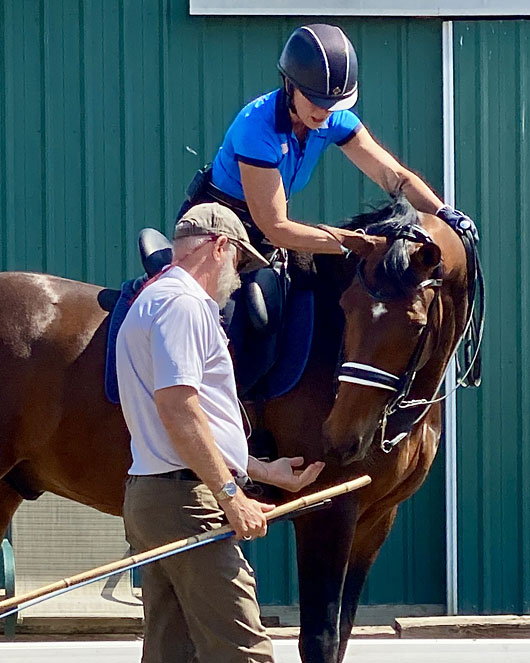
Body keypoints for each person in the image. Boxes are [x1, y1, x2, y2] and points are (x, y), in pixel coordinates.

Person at [117, 202, 325, 663]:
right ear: (220, 246)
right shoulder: (186, 304)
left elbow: (184, 420)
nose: (238, 275)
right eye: (239, 261)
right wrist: (231, 494)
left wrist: (259, 469)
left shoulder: (152, 300)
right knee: (242, 654)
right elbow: (179, 408)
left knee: (172, 653)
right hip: (189, 502)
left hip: (155, 497)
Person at [178, 23, 478, 254]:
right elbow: (277, 228)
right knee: (254, 311)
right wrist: (360, 243)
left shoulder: (335, 119)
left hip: (265, 233)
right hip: (216, 233)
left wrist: (445, 214)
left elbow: (394, 177)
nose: (324, 112)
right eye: (314, 99)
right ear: (288, 85)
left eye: (333, 104)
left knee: (310, 296)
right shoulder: (255, 128)